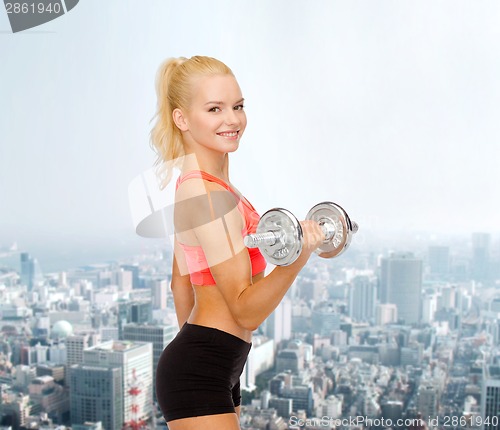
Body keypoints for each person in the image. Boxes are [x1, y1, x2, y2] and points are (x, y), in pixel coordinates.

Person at [150, 55, 325, 430]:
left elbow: (181, 283)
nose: (232, 119)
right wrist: (298, 258)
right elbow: (245, 312)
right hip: (203, 370)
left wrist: (209, 356)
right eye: (215, 108)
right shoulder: (210, 197)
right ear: (182, 119)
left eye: (238, 106)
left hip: (219, 365)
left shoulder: (206, 189)